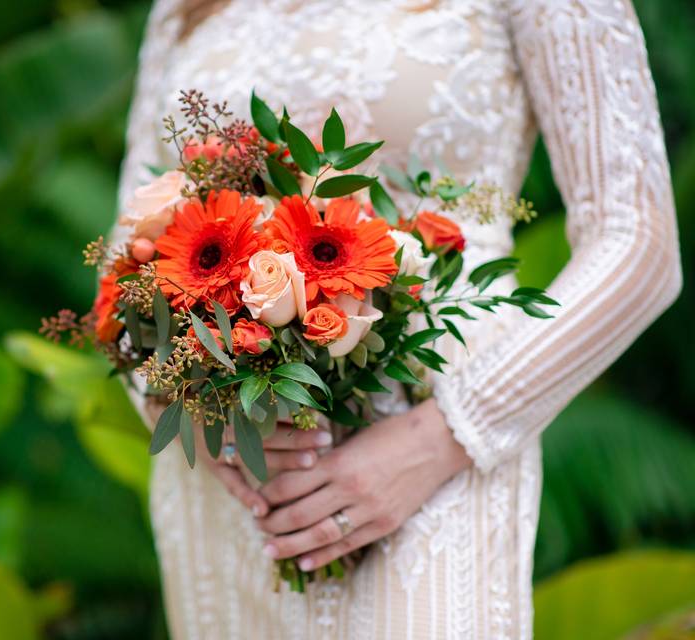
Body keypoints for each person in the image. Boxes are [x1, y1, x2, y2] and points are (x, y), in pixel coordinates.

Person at [114, 1, 682, 638]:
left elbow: (638, 241)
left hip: (435, 447)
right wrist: (178, 401)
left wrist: (446, 436)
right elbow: (130, 241)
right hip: (230, 476)